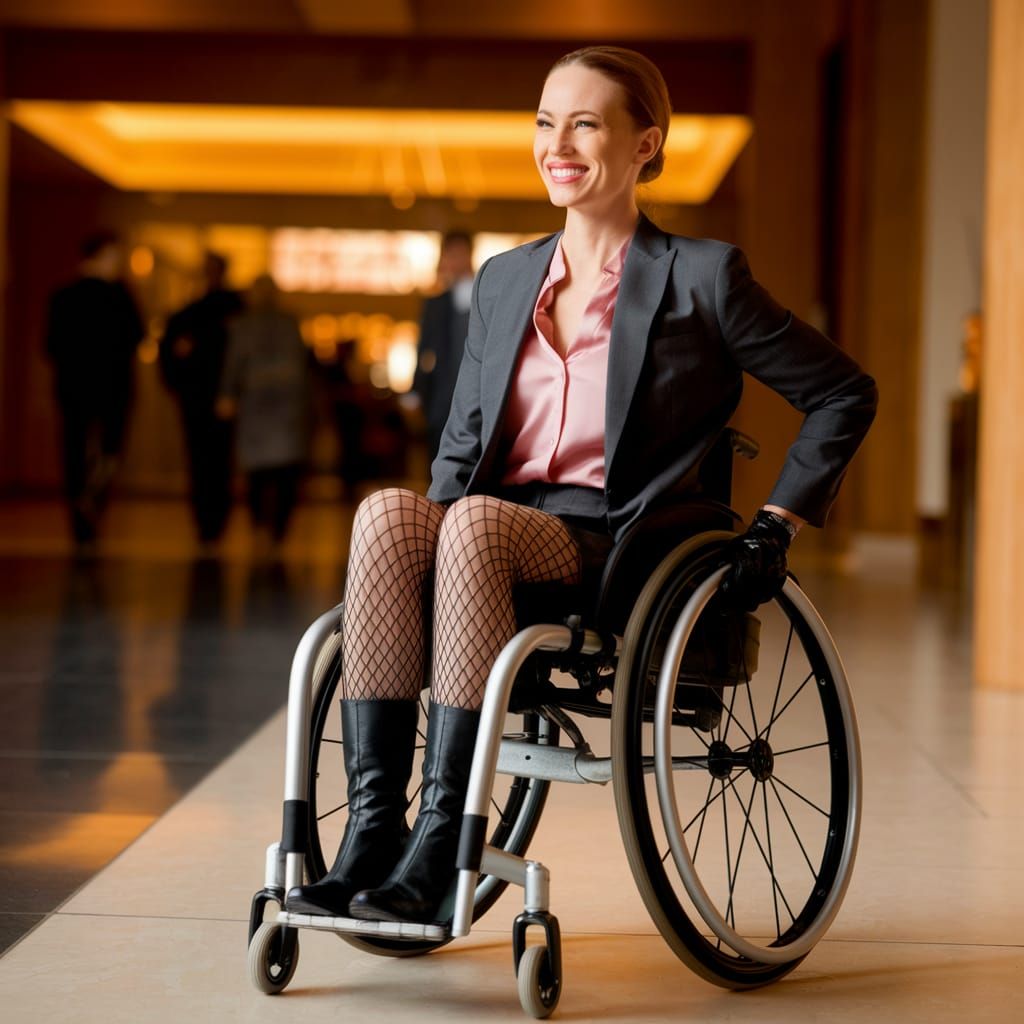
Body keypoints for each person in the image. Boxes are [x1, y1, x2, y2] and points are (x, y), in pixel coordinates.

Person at [286, 46, 878, 926]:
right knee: (385, 513)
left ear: (646, 144)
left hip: (621, 542)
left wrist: (778, 524)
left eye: (586, 123)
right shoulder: (505, 278)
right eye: (544, 121)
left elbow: (842, 390)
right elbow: (463, 441)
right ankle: (375, 831)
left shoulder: (702, 278)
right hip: (488, 528)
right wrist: (428, 541)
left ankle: (445, 835)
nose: (557, 143)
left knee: (477, 524)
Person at [45, 230, 145, 546]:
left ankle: (83, 510)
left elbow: (50, 345)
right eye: (116, 256)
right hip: (105, 389)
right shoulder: (118, 297)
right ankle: (87, 507)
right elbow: (137, 336)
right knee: (103, 452)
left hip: (81, 388)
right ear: (100, 255)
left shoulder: (66, 296)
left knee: (84, 452)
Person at [216, 274, 311, 548]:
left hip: (260, 405)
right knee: (282, 473)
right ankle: (276, 531)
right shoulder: (288, 323)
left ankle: (262, 527)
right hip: (283, 406)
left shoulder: (244, 325)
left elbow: (234, 364)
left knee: (259, 472)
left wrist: (228, 394)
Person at [159, 252, 244, 544]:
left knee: (213, 460)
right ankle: (208, 519)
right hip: (201, 398)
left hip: (215, 398)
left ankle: (211, 519)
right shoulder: (201, 313)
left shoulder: (229, 311)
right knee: (207, 460)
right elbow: (169, 354)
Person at [412, 230, 476, 462]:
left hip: (476, 396)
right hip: (442, 397)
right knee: (438, 458)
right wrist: (416, 389)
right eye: (450, 254)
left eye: (460, 253)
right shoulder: (435, 303)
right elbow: (423, 349)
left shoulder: (487, 296)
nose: (454, 260)